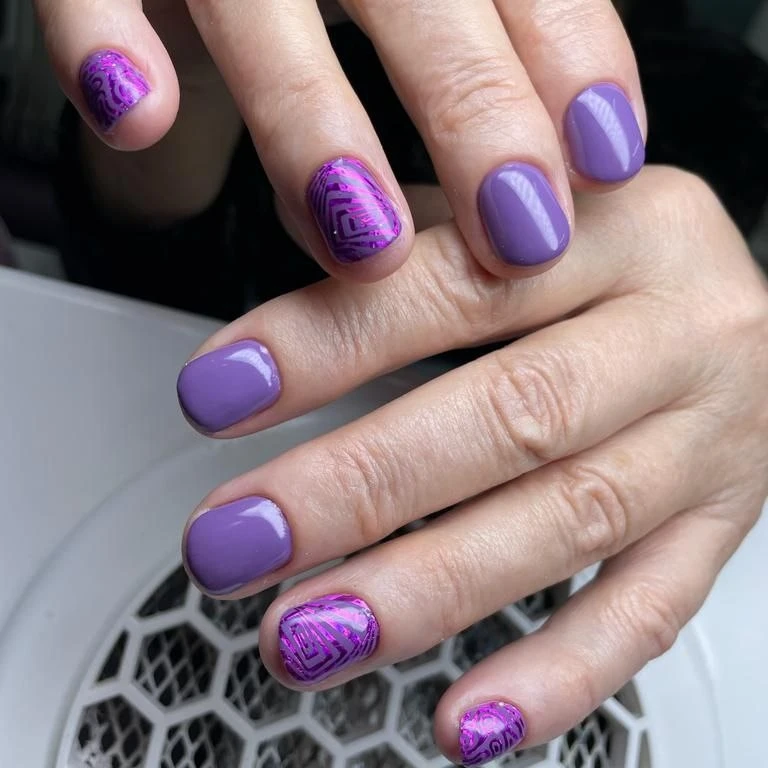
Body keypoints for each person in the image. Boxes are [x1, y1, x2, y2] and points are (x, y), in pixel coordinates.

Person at [41, 1, 768, 765]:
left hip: (524, 578)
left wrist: (740, 346)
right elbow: (126, 280)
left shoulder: (726, 96)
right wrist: (185, 72)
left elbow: (709, 312)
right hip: (152, 496)